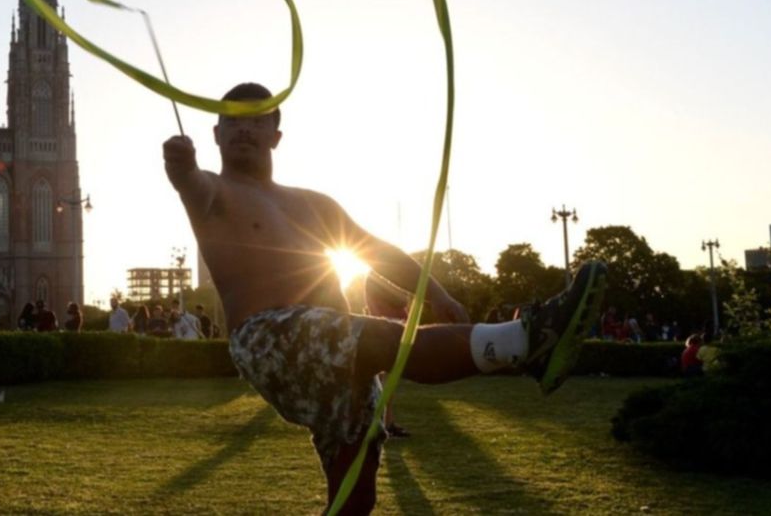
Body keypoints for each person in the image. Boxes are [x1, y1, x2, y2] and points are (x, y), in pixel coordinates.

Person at [163, 82, 608, 514]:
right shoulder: (211, 190)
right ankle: (526, 342)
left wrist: (437, 292)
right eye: (231, 120)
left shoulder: (313, 203)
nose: (243, 128)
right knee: (376, 337)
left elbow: (374, 251)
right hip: (268, 337)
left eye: (256, 120)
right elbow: (189, 184)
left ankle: (522, 345)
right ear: (216, 134)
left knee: (356, 497)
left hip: (339, 354)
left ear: (275, 135)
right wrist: (181, 168)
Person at [364, 274, 411, 439]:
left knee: (389, 382)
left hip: (395, 327)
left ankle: (388, 423)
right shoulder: (375, 278)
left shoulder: (391, 275)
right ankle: (381, 424)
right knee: (382, 382)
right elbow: (396, 300)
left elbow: (405, 298)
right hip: (385, 329)